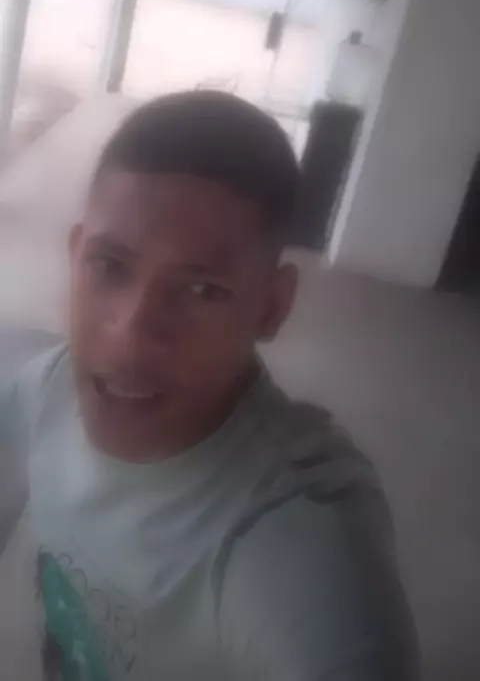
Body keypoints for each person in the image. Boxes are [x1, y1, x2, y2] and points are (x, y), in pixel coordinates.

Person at [1, 91, 417, 680]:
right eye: (109, 266)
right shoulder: (48, 387)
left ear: (271, 308)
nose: (132, 337)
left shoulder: (296, 540)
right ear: (76, 257)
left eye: (202, 291)